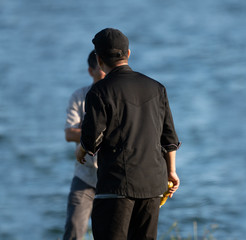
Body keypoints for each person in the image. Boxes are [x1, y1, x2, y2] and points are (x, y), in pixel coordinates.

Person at [76, 28, 181, 240]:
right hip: (152, 186)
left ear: (99, 58)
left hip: (116, 187)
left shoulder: (99, 91)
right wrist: (171, 171)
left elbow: (92, 139)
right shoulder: (157, 88)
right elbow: (169, 138)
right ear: (128, 54)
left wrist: (82, 148)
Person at [63, 50, 105, 240]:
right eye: (100, 67)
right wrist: (98, 133)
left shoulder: (118, 95)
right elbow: (69, 134)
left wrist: (88, 132)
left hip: (112, 179)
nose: (105, 71)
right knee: (73, 230)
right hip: (85, 177)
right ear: (91, 71)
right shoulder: (79, 96)